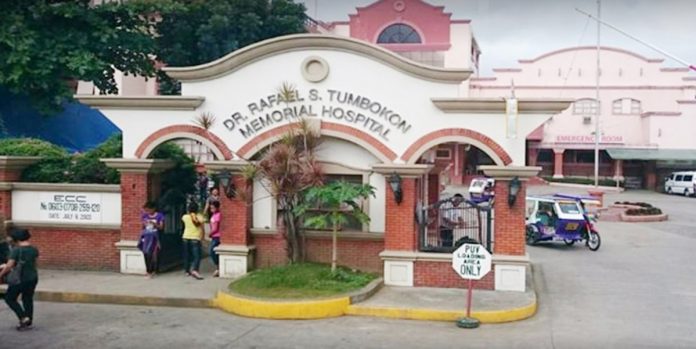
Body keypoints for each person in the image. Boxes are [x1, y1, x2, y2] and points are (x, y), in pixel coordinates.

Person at [0, 229, 39, 331]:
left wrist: (1, 273)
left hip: (19, 279)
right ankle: (29, 322)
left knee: (9, 298)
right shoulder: (34, 249)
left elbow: (9, 265)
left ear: (16, 238)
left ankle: (23, 317)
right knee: (27, 299)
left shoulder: (16, 250)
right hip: (33, 277)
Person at [138, 202, 164, 278]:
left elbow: (161, 227)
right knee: (145, 253)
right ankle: (148, 270)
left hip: (154, 237)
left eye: (149, 210)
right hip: (146, 237)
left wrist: (154, 224)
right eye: (146, 210)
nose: (147, 212)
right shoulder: (145, 216)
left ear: (153, 209)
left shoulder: (159, 216)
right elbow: (143, 226)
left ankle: (152, 270)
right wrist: (145, 223)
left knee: (151, 254)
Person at [182, 202, 205, 280]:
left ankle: (187, 271)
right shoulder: (200, 217)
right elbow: (202, 229)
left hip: (185, 237)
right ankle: (195, 269)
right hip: (195, 238)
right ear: (197, 209)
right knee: (197, 255)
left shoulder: (184, 217)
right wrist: (203, 238)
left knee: (187, 255)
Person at [208, 201, 222, 277]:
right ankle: (218, 268)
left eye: (213, 208)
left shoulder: (217, 216)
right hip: (214, 236)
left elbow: (215, 228)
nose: (211, 209)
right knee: (214, 252)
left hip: (217, 236)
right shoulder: (214, 215)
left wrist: (210, 233)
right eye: (211, 208)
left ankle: (218, 267)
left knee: (212, 252)